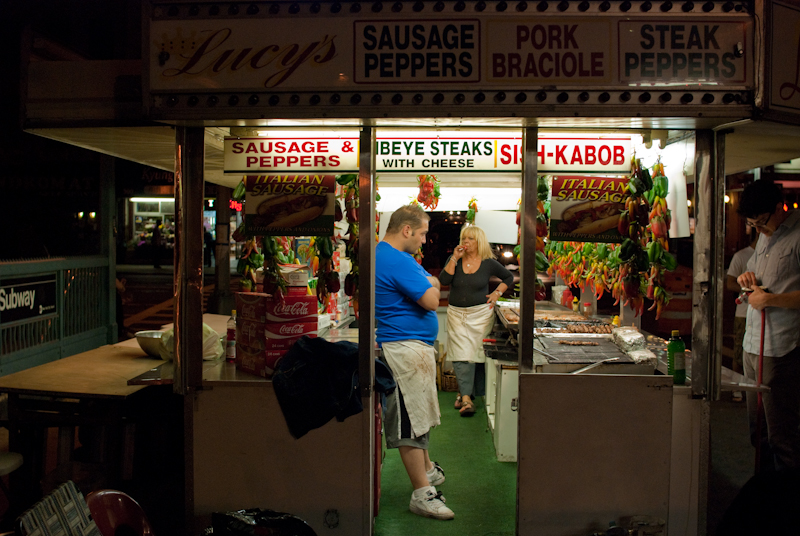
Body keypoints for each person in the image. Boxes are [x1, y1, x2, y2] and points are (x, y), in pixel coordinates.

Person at [375, 204, 453, 521]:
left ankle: (427, 470)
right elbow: (432, 299)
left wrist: (430, 282)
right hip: (402, 351)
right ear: (406, 230)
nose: (423, 240)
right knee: (409, 422)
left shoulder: (396, 257)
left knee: (418, 416)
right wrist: (431, 284)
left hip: (411, 349)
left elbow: (432, 283)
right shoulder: (395, 259)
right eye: (421, 234)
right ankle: (422, 494)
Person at [736, 180, 800, 472]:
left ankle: (786, 493)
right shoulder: (763, 236)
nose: (759, 231)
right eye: (752, 225)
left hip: (780, 348)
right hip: (752, 343)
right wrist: (747, 279)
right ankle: (762, 490)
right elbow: (756, 274)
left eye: (762, 222)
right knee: (757, 432)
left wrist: (771, 300)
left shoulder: (797, 235)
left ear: (779, 208)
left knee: (781, 436)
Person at [438, 226, 514, 416]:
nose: (466, 242)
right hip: (456, 314)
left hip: (481, 315)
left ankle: (467, 393)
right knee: (460, 352)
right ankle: (466, 398)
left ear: (479, 242)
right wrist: (454, 258)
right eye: (464, 238)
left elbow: (508, 277)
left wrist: (497, 293)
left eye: (470, 239)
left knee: (477, 353)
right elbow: (444, 280)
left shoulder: (488, 262)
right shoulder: (455, 259)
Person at [726, 229, 758, 402]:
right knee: (739, 351)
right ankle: (736, 388)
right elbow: (729, 283)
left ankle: (751, 389)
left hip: (761, 312)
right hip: (743, 312)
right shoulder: (741, 256)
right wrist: (747, 289)